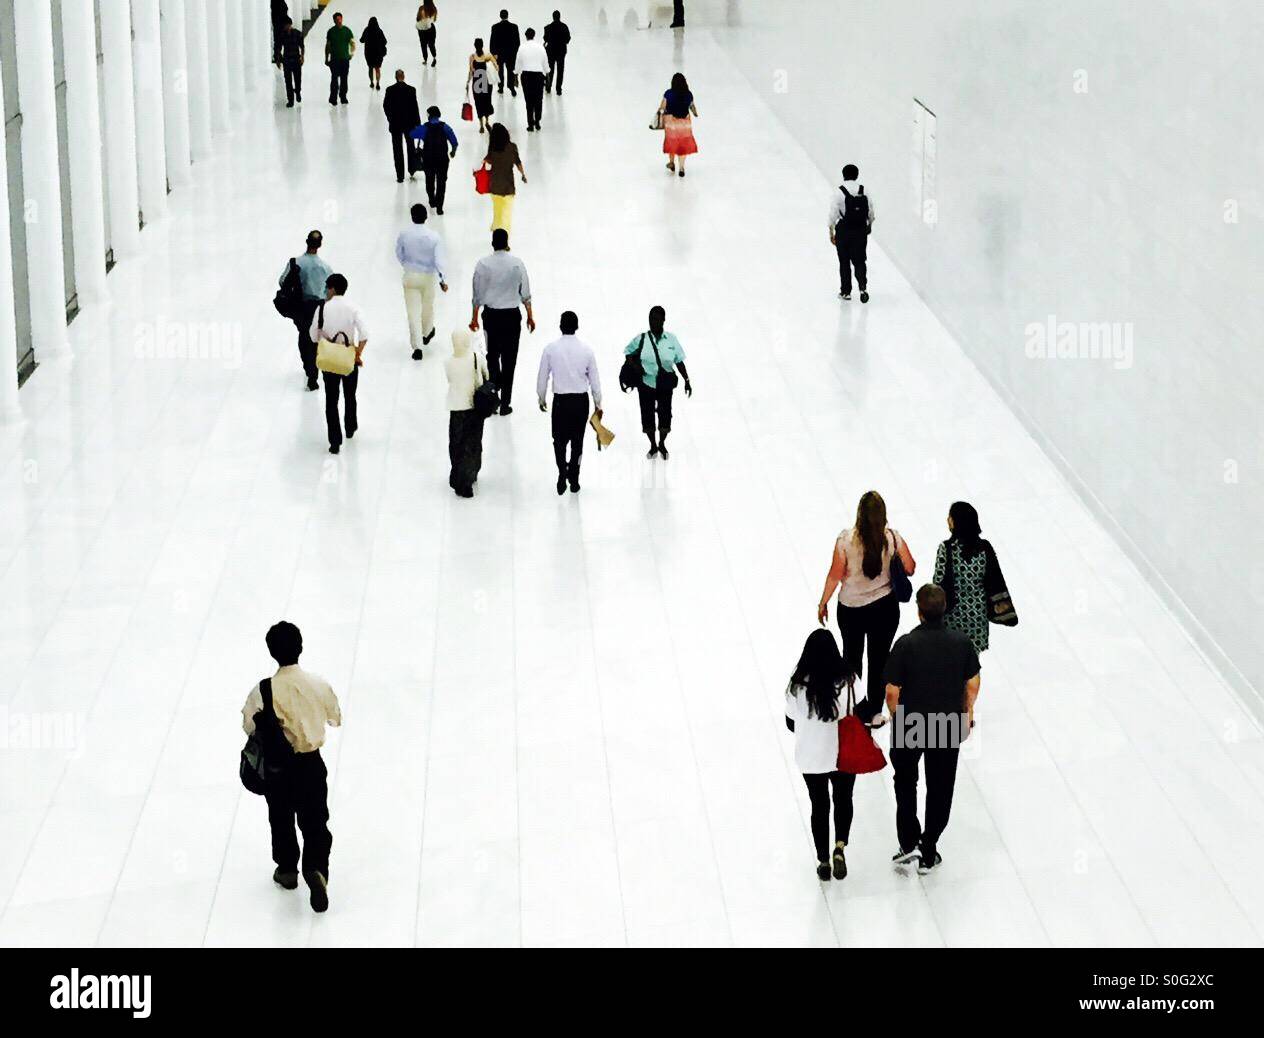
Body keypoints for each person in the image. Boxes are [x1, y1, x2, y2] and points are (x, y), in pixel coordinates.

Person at [241, 621, 341, 913]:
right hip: (310, 764)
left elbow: (248, 726)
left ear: (271, 652)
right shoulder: (318, 685)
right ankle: (316, 868)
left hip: (277, 769)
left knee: (281, 818)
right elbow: (334, 718)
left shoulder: (262, 691)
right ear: (300, 647)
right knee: (315, 821)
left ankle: (287, 870)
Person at [885, 585, 981, 874]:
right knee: (940, 787)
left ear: (919, 611)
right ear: (944, 608)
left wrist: (896, 717)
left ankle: (908, 842)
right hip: (947, 722)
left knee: (905, 781)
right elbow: (973, 683)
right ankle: (929, 848)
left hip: (911, 721)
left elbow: (891, 692)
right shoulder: (962, 643)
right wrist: (967, 712)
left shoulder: (905, 645)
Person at [817, 491, 916, 727]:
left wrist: (823, 603)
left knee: (852, 658)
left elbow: (835, 575)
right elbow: (910, 567)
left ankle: (853, 710)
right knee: (880, 659)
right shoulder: (892, 538)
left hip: (851, 609)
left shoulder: (845, 541)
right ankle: (874, 711)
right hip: (885, 607)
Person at [785, 629, 858, 881]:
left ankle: (823, 859)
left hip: (811, 756)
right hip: (843, 755)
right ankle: (839, 847)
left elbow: (791, 723)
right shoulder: (849, 679)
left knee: (819, 806)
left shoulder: (797, 687)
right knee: (843, 799)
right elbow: (859, 708)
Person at [470, 229, 535, 416]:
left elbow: (477, 294)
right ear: (507, 243)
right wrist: (530, 315)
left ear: (492, 243)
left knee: (492, 355)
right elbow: (525, 293)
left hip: (491, 317)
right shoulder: (517, 264)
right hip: (512, 318)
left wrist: (474, 317)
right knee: (510, 359)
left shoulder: (483, 264)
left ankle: (493, 392)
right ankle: (506, 403)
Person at [934, 502, 1012, 656]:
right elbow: (993, 579)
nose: (947, 519)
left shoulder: (947, 548)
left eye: (950, 517)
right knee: (970, 664)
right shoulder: (985, 548)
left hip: (952, 616)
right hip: (977, 616)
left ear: (956, 522)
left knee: (951, 661)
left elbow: (938, 582)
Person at [537, 311, 602, 496]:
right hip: (580, 402)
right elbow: (595, 380)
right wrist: (598, 402)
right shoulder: (587, 351)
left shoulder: (550, 349)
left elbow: (543, 377)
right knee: (577, 441)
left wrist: (541, 398)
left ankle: (561, 472)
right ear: (577, 326)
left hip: (561, 402)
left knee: (559, 440)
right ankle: (574, 477)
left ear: (560, 326)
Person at [309, 274, 369, 455]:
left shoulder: (321, 309)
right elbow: (365, 334)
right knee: (350, 395)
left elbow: (313, 335)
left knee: (331, 400)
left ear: (333, 289)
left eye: (327, 287)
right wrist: (357, 353)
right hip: (348, 359)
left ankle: (335, 441)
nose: (325, 291)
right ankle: (350, 427)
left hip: (329, 361)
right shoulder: (353, 308)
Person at [623, 306, 691, 459]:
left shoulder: (671, 339)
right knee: (647, 416)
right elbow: (628, 353)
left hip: (665, 385)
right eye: (650, 319)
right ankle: (653, 444)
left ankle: (662, 442)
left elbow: (679, 361)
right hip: (646, 384)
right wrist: (636, 367)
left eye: (656, 319)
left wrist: (687, 380)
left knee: (665, 416)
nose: (652, 322)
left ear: (663, 320)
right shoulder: (641, 339)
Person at [279, 231, 333, 391]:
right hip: (319, 306)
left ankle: (310, 371)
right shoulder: (326, 267)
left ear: (306, 242)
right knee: (316, 338)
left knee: (304, 336)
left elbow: (282, 281)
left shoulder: (296, 262)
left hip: (301, 307)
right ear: (320, 245)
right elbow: (330, 290)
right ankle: (316, 367)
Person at [395, 204, 449, 361]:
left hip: (410, 275)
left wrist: (406, 264)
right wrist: (442, 279)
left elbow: (399, 253)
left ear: (412, 217)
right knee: (427, 308)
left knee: (412, 313)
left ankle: (417, 346)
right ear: (426, 217)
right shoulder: (434, 237)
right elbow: (439, 260)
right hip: (428, 276)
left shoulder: (404, 234)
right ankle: (427, 332)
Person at [445, 329, 490, 498]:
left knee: (456, 443)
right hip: (474, 407)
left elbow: (450, 379)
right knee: (472, 443)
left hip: (456, 407)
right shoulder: (476, 358)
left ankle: (457, 472)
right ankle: (469, 475)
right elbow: (486, 375)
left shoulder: (448, 362)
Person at [828, 163, 875, 302]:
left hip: (844, 230)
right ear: (857, 175)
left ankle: (846, 292)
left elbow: (833, 214)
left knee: (844, 261)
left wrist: (831, 232)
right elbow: (871, 211)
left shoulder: (839, 192)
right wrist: (869, 225)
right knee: (860, 260)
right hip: (860, 230)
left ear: (844, 175)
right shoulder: (864, 190)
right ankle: (863, 287)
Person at [412, 106, 459, 214]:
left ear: (429, 115)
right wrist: (453, 152)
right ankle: (439, 207)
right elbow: (454, 141)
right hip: (442, 159)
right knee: (441, 182)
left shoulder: (424, 127)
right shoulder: (445, 127)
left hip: (428, 159)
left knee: (429, 180)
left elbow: (413, 135)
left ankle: (432, 200)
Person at [482, 123, 526, 233]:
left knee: (497, 210)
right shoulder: (512, 147)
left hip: (494, 185)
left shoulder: (492, 150)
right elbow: (518, 163)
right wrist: (523, 175)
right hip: (508, 186)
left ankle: (496, 227)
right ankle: (505, 236)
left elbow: (486, 162)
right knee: (506, 213)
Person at [383, 70, 422, 183]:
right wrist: (418, 124)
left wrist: (391, 119)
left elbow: (386, 106)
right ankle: (411, 170)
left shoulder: (390, 90)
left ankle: (400, 175)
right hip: (409, 124)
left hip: (395, 124)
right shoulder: (411, 90)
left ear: (395, 77)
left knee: (397, 149)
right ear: (403, 76)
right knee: (410, 147)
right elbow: (415, 108)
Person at [658, 72, 698, 177]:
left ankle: (671, 163)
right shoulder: (688, 94)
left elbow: (662, 107)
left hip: (671, 122)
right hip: (684, 122)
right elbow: (692, 107)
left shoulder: (668, 93)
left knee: (672, 142)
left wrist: (660, 114)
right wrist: (695, 113)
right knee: (683, 145)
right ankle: (681, 167)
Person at [517, 29, 548, 132]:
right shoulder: (540, 47)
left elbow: (518, 62)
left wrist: (516, 74)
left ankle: (530, 124)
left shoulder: (522, 47)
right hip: (538, 76)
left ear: (526, 36)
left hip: (526, 76)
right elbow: (545, 62)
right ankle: (537, 121)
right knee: (538, 100)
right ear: (534, 35)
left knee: (529, 101)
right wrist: (547, 72)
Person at [466, 39, 498, 134]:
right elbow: (496, 67)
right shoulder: (487, 56)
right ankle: (487, 122)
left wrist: (467, 83)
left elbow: (471, 71)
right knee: (487, 102)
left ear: (475, 46)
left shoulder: (472, 57)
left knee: (478, 103)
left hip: (477, 83)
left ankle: (481, 125)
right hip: (486, 82)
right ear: (482, 45)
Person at [325, 12, 355, 106]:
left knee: (344, 79)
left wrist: (351, 53)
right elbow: (328, 46)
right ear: (334, 20)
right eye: (336, 19)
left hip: (344, 59)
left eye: (339, 19)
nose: (338, 21)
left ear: (342, 19)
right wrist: (326, 58)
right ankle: (333, 98)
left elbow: (352, 43)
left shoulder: (347, 31)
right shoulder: (331, 31)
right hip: (334, 59)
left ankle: (343, 96)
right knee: (334, 79)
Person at [489, 10, 521, 96]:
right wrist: (515, 53)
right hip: (510, 54)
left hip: (499, 54)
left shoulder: (495, 27)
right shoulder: (514, 27)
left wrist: (493, 53)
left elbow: (492, 42)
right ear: (507, 16)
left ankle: (501, 87)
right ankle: (511, 88)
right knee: (510, 71)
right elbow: (517, 42)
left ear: (500, 16)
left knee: (500, 71)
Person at [278, 18, 305, 107]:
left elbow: (302, 46)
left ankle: (297, 91)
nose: (287, 27)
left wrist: (302, 56)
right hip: (287, 61)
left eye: (288, 25)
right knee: (288, 81)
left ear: (291, 25)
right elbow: (279, 48)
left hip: (296, 60)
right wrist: (279, 60)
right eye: (285, 26)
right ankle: (290, 100)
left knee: (298, 79)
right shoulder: (282, 35)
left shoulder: (297, 33)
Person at [543, 11, 570, 94]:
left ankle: (548, 86)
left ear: (553, 17)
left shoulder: (547, 27)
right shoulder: (564, 26)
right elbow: (568, 39)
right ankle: (558, 89)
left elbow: (545, 38)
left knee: (550, 69)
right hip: (561, 51)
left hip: (551, 51)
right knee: (560, 70)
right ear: (559, 17)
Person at [360, 17, 388, 91]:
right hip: (378, 53)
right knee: (377, 68)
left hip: (369, 53)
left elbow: (361, 40)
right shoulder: (379, 31)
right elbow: (385, 42)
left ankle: (371, 82)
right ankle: (378, 83)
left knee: (370, 68)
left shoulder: (366, 30)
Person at [416, 2, 438, 66]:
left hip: (430, 29)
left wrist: (428, 20)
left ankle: (434, 58)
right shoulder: (421, 8)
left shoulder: (432, 9)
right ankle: (425, 59)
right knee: (423, 45)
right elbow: (418, 18)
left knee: (431, 45)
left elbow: (433, 19)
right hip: (421, 30)